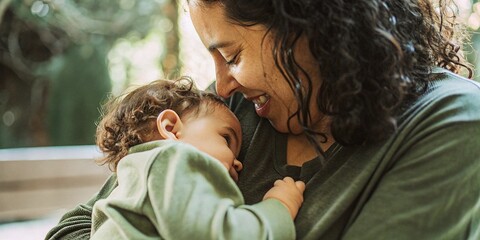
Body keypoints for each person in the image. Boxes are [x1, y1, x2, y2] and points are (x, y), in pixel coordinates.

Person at [46, 0, 480, 239]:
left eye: (232, 56)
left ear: (310, 23)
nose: (221, 84)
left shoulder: (446, 122)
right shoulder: (222, 116)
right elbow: (74, 229)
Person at [87, 78, 305, 239]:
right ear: (171, 127)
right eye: (226, 139)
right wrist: (279, 205)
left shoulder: (128, 187)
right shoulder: (171, 161)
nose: (239, 162)